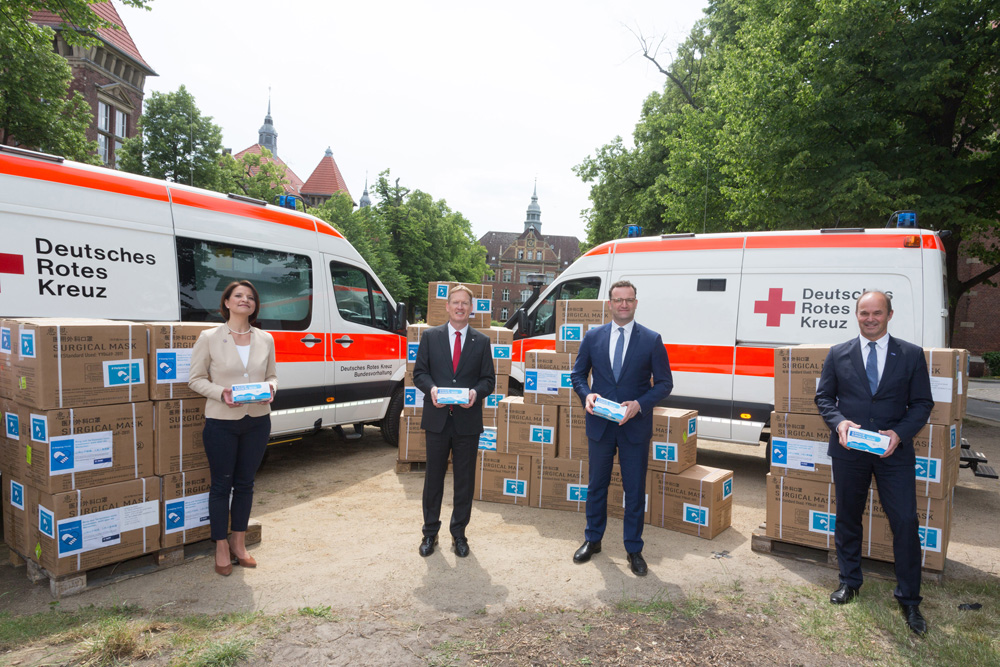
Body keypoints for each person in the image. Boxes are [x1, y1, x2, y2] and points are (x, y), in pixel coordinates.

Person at [815, 290, 933, 635]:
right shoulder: (838, 354)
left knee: (906, 521)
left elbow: (923, 404)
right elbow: (824, 397)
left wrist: (899, 433)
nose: (870, 318)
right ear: (857, 315)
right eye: (864, 313)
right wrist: (839, 423)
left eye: (877, 313)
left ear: (889, 315)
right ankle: (849, 581)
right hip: (850, 451)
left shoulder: (910, 355)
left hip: (893, 453)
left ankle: (909, 599)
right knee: (849, 517)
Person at [569, 280, 673, 576]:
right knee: (596, 486)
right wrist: (585, 393)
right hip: (600, 425)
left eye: (628, 300)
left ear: (636, 303)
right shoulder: (593, 336)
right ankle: (593, 540)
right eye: (618, 300)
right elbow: (578, 374)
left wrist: (640, 403)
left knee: (635, 489)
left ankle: (634, 549)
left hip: (634, 427)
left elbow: (665, 383)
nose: (623, 304)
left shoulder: (651, 340)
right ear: (609, 303)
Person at [189, 280, 278, 576]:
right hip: (221, 422)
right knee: (220, 485)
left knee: (245, 484)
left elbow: (273, 376)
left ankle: (239, 543)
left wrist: (272, 388)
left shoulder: (265, 339)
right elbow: (196, 379)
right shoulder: (209, 337)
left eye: (250, 297)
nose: (245, 300)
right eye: (238, 295)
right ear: (226, 302)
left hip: (257, 420)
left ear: (255, 305)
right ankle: (221, 547)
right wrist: (221, 393)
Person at [412, 284, 496, 558]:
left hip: (467, 423)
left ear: (472, 309)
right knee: (433, 479)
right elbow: (419, 373)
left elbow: (489, 380)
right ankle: (429, 534)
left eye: (465, 303)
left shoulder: (481, 342)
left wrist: (475, 393)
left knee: (464, 482)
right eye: (455, 303)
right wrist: (432, 390)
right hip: (437, 421)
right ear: (447, 307)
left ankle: (458, 533)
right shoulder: (430, 337)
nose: (460, 307)